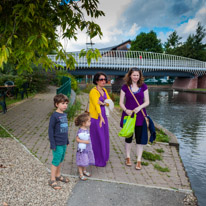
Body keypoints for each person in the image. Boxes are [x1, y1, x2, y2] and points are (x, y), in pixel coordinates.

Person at [119, 67, 149, 170]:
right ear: (130, 75)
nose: (136, 77)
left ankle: (139, 160)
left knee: (140, 139)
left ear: (140, 76)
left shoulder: (144, 86)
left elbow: (147, 102)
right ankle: (128, 157)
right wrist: (125, 109)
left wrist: (139, 107)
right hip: (128, 115)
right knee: (128, 137)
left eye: (137, 75)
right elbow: (120, 102)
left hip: (140, 115)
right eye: (134, 75)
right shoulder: (125, 87)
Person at [48, 93, 70, 189]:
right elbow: (50, 130)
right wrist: (52, 143)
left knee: (61, 159)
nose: (65, 105)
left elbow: (65, 129)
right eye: (62, 103)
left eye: (66, 103)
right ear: (57, 104)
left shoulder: (64, 115)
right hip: (57, 143)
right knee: (56, 160)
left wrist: (67, 140)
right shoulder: (54, 116)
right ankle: (52, 179)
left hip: (63, 142)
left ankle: (58, 175)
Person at [89, 72, 111, 167]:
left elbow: (109, 102)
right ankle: (97, 159)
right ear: (96, 81)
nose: (103, 81)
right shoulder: (93, 91)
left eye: (105, 79)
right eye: (101, 79)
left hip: (104, 116)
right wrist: (100, 116)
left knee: (104, 137)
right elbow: (96, 104)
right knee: (97, 137)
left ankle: (104, 157)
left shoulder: (105, 90)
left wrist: (104, 103)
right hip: (96, 117)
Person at [75, 112, 95, 180]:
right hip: (82, 150)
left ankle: (84, 171)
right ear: (83, 123)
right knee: (81, 161)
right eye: (89, 121)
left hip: (87, 148)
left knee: (86, 159)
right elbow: (77, 139)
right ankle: (80, 174)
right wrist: (85, 141)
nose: (90, 122)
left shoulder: (86, 129)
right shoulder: (80, 131)